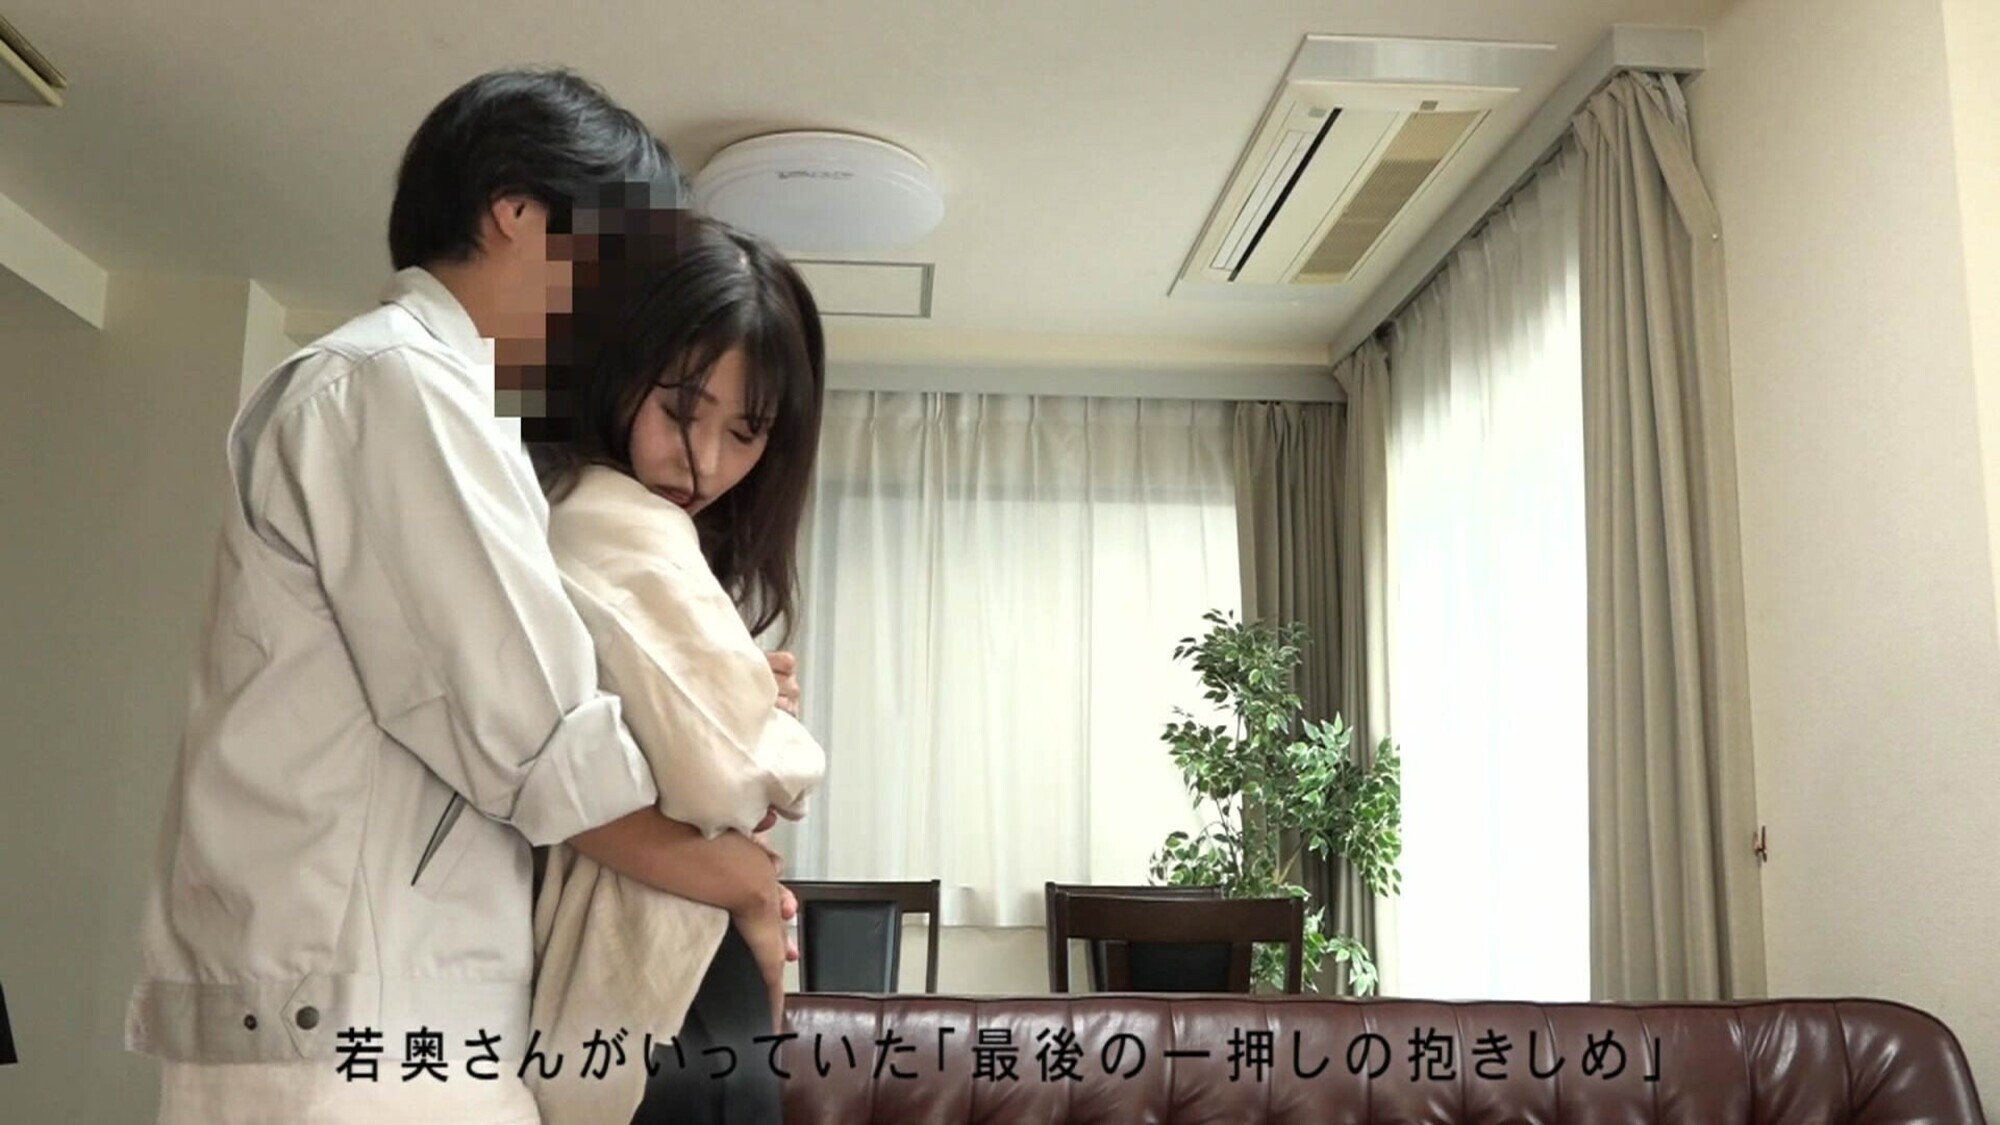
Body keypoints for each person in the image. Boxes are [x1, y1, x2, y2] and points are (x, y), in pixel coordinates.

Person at [124, 69, 796, 1123]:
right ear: (517, 212)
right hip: (355, 1021)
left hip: (383, 1004)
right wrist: (737, 832)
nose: (620, 311)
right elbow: (541, 745)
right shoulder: (394, 385)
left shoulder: (439, 400)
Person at [523, 214, 828, 1125]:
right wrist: (766, 725)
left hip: (659, 981)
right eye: (680, 411)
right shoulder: (610, 512)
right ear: (613, 373)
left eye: (747, 431)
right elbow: (735, 775)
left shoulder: (567, 513)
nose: (705, 462)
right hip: (667, 997)